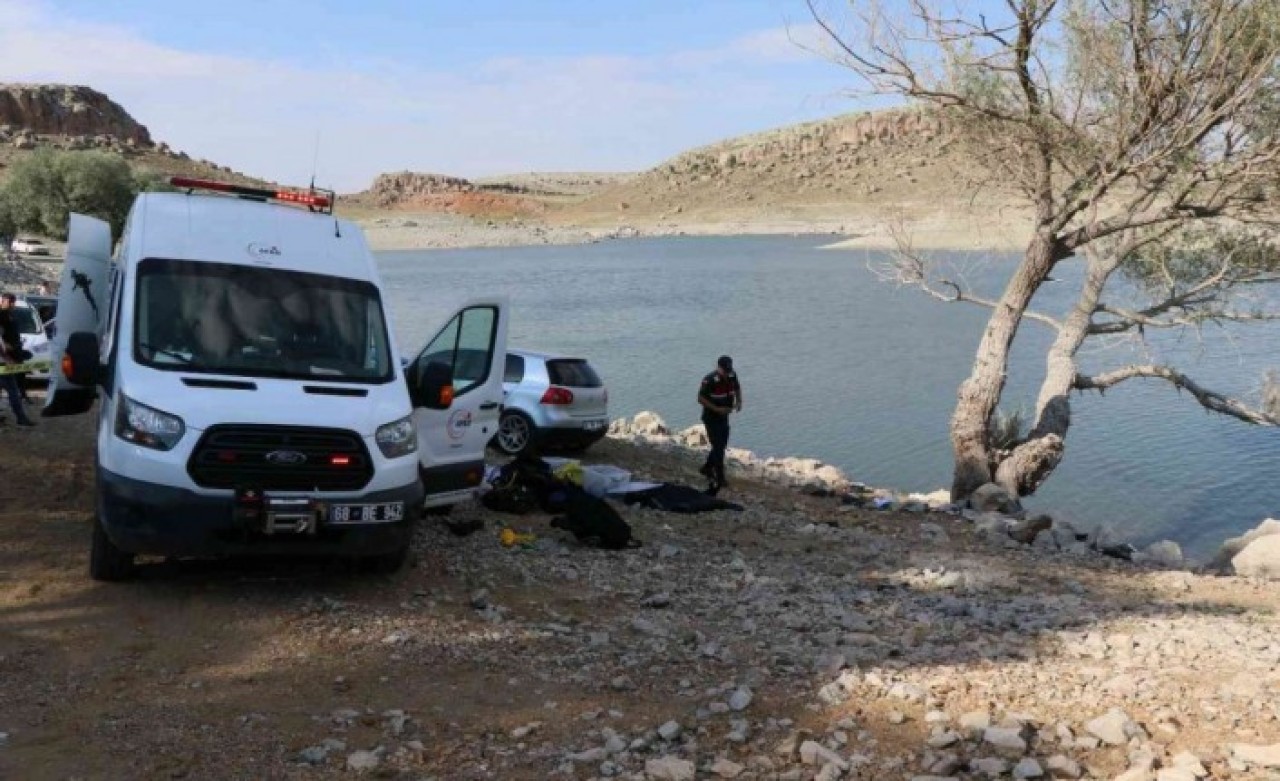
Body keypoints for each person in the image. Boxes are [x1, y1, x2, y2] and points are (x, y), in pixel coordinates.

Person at [697, 355, 742, 492]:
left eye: (728, 370)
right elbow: (700, 398)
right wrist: (717, 409)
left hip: (724, 417)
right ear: (719, 367)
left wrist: (739, 401)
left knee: (721, 444)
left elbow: (737, 388)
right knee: (718, 447)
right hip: (711, 417)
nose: (727, 373)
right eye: (725, 370)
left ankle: (707, 468)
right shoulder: (710, 380)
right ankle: (720, 477)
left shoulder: (732, 375)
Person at [0, 293, 36, 427]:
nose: (12, 305)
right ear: (3, 301)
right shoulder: (1, 316)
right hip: (5, 362)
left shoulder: (10, 316)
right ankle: (21, 418)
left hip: (13, 359)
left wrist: (19, 352)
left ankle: (21, 417)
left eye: (13, 302)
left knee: (15, 389)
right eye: (10, 302)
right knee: (13, 391)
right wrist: (7, 355)